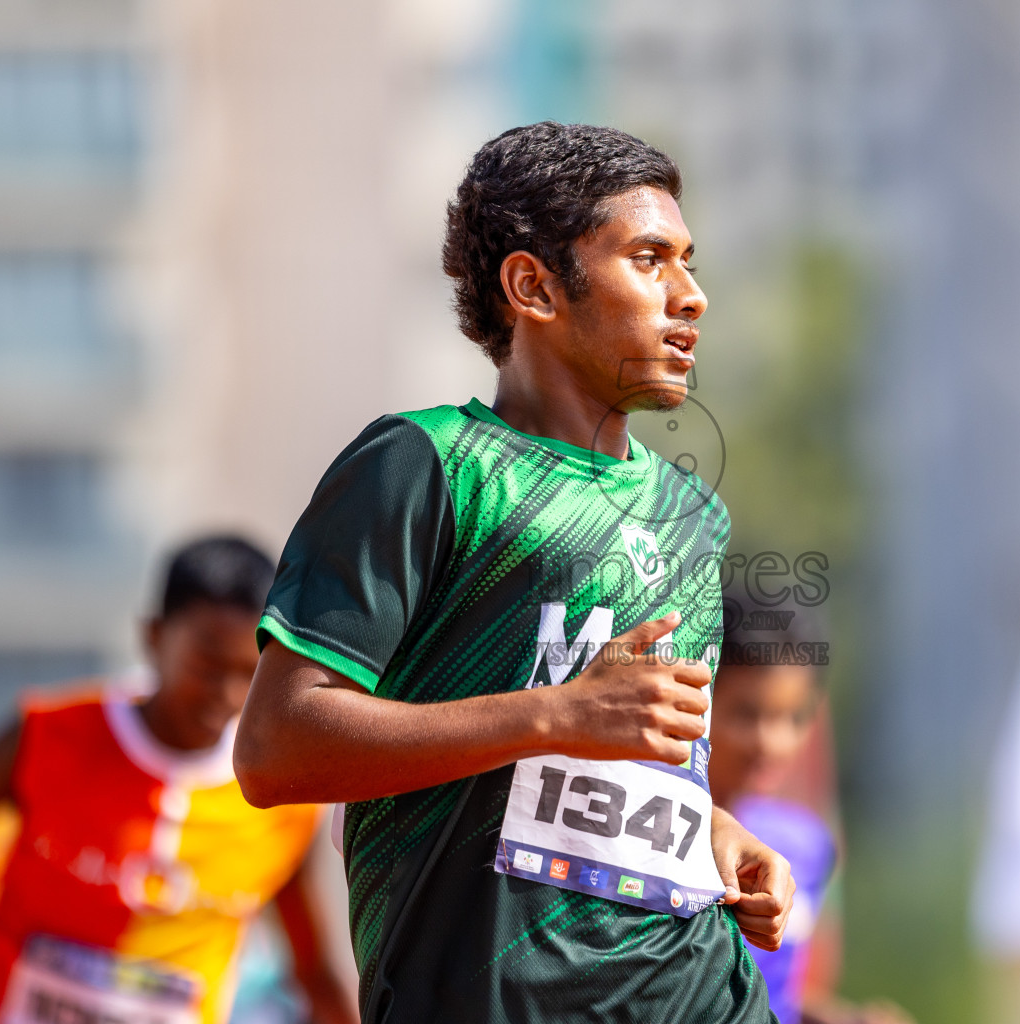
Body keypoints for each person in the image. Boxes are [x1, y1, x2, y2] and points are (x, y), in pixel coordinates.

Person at [233, 122, 794, 1023]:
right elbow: (274, 748)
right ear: (533, 285)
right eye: (650, 260)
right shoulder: (425, 464)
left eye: (689, 262)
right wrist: (556, 715)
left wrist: (714, 833)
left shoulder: (694, 516)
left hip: (701, 991)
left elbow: (642, 769)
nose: (690, 296)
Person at [0, 536, 356, 1024]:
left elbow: (312, 974)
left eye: (249, 673)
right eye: (207, 665)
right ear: (154, 636)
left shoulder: (281, 800)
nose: (225, 694)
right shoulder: (48, 736)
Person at [711, 594, 916, 1024]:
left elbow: (778, 999)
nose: (771, 741)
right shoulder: (651, 826)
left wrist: (847, 1019)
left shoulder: (804, 845)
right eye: (746, 714)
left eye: (793, 717)